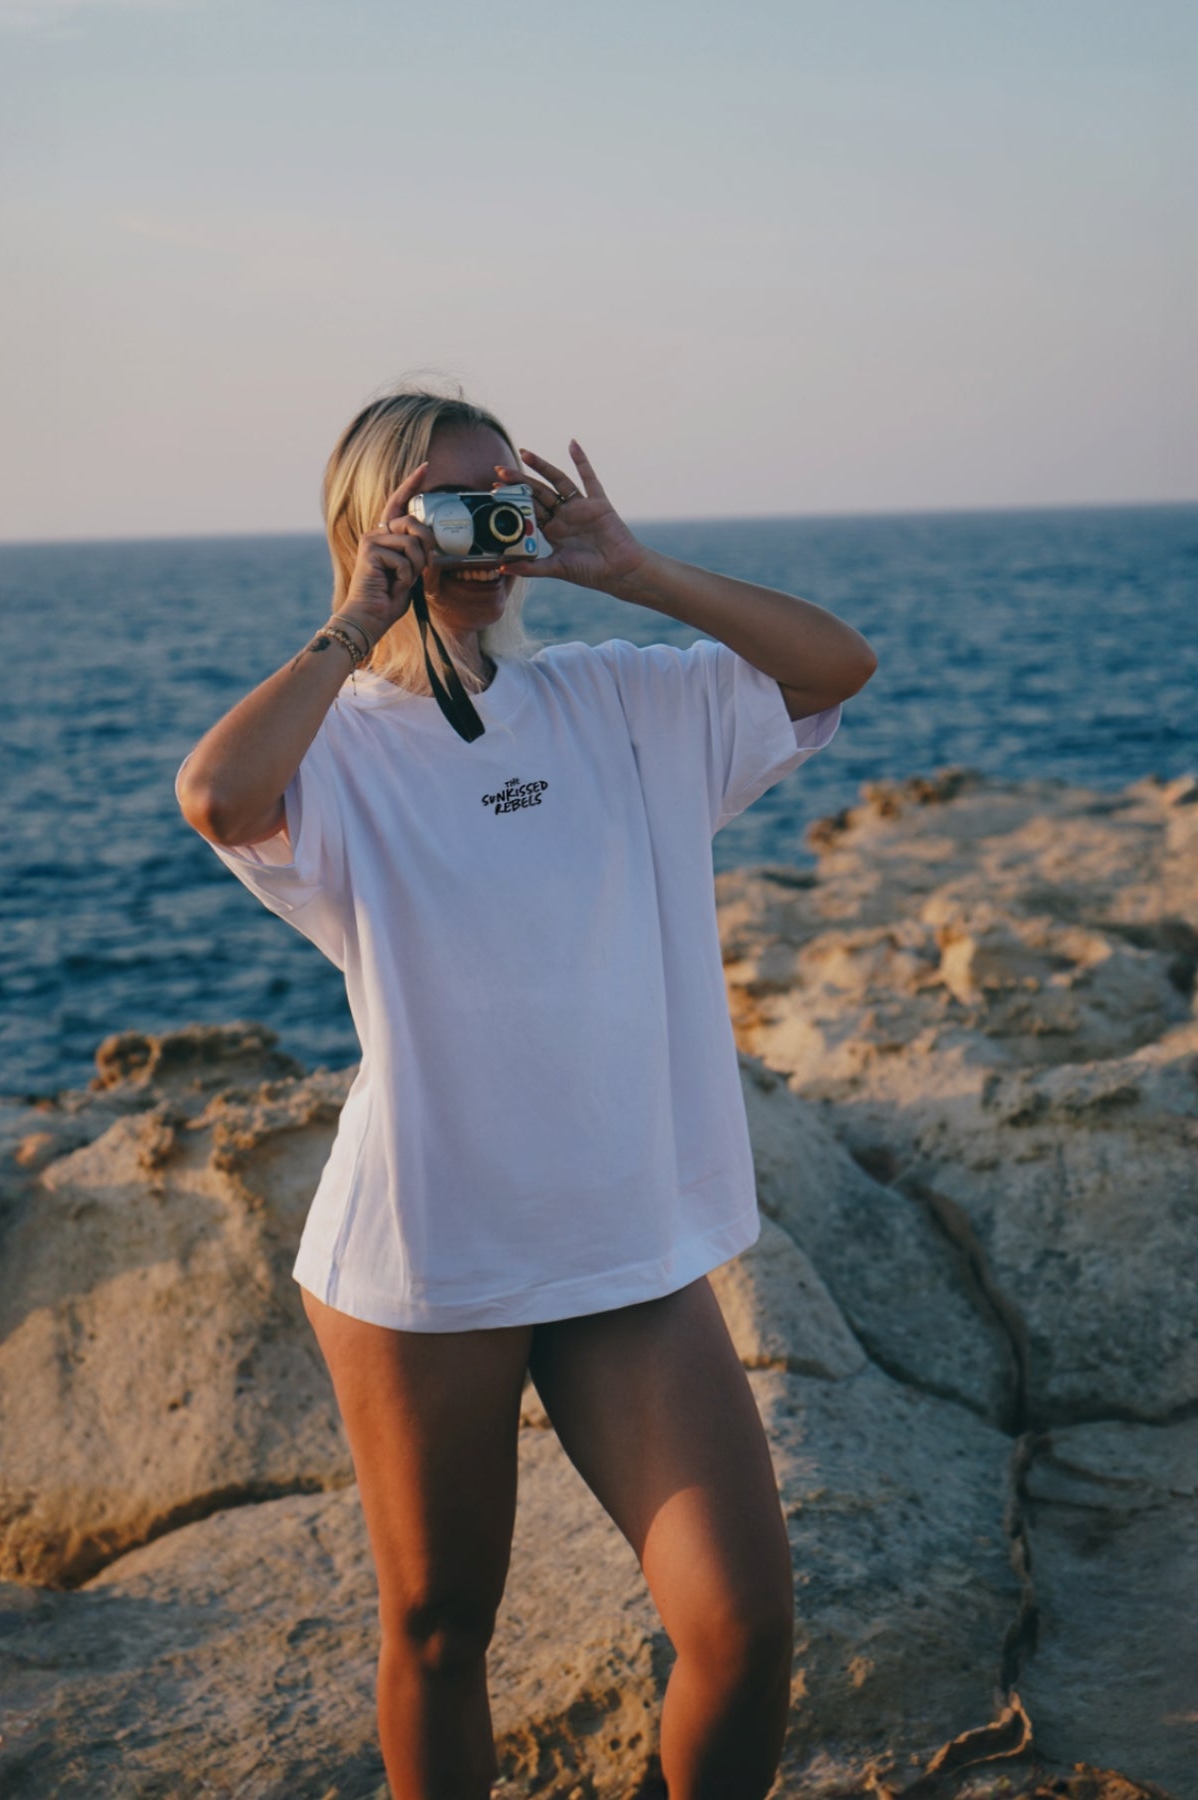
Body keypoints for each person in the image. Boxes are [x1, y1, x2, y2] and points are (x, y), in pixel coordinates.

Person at [175, 385, 877, 1800]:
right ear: (374, 527)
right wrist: (358, 618)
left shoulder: (619, 696)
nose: (489, 530)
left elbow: (833, 668)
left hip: (622, 1242)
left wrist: (636, 565)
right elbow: (217, 795)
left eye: (507, 493)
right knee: (440, 1630)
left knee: (741, 1627)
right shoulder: (342, 750)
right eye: (448, 506)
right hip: (429, 1252)